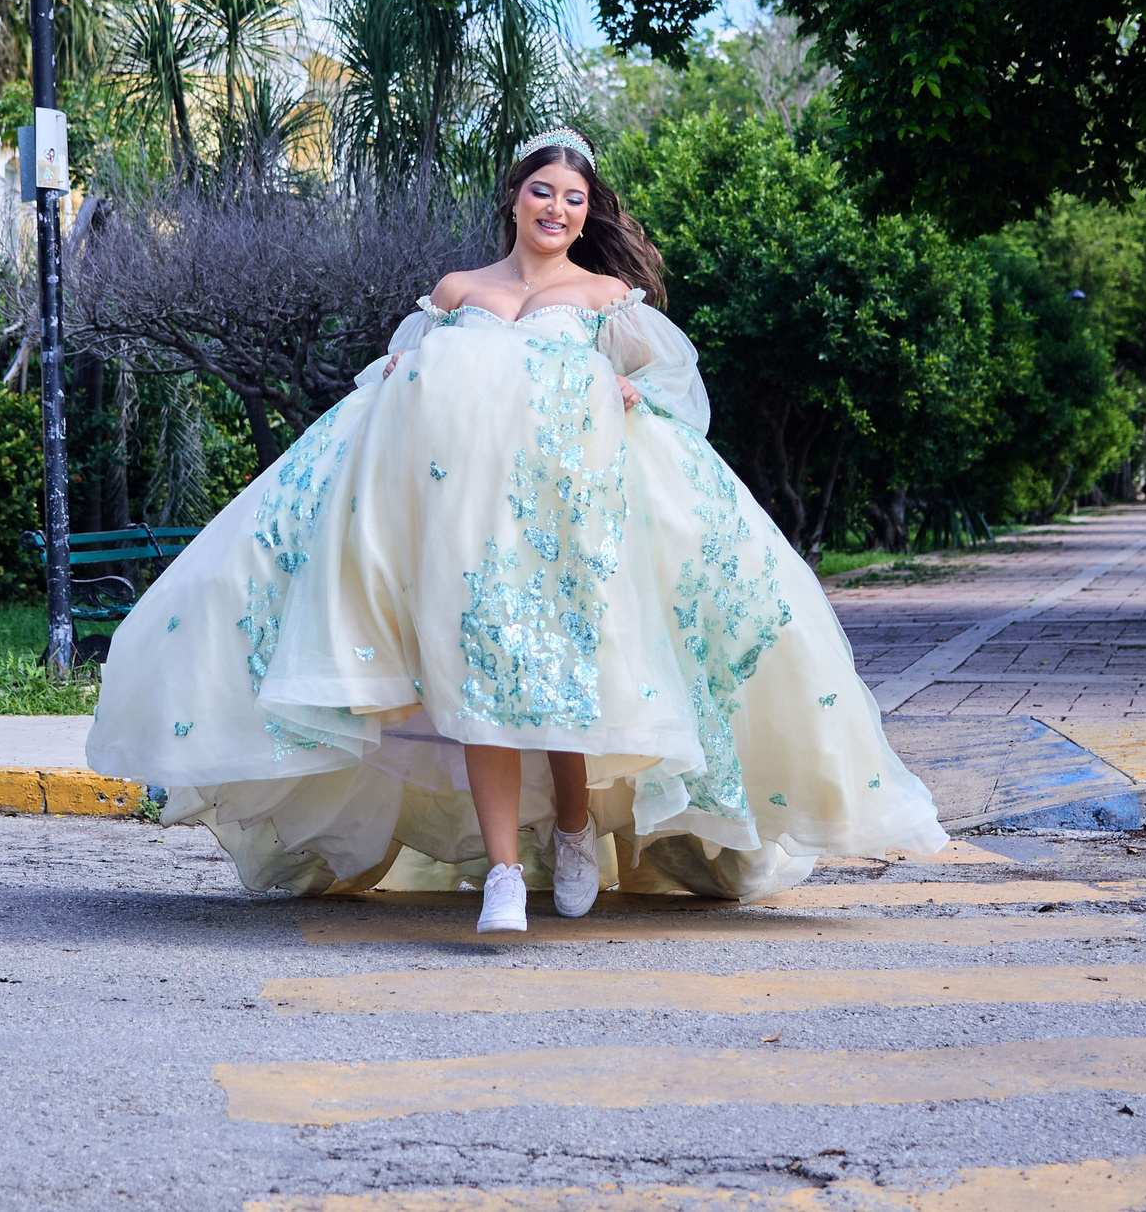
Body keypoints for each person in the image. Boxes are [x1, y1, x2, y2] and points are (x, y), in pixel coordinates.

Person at [87, 128, 947, 933]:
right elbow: (412, 400)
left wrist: (633, 395)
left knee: (567, 697)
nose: (558, 210)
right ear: (514, 197)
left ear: (587, 212)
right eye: (544, 191)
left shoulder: (607, 298)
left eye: (574, 199)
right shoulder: (458, 294)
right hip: (467, 529)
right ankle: (504, 874)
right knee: (478, 693)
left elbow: (681, 391)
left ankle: (574, 828)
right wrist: (401, 376)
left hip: (571, 532)